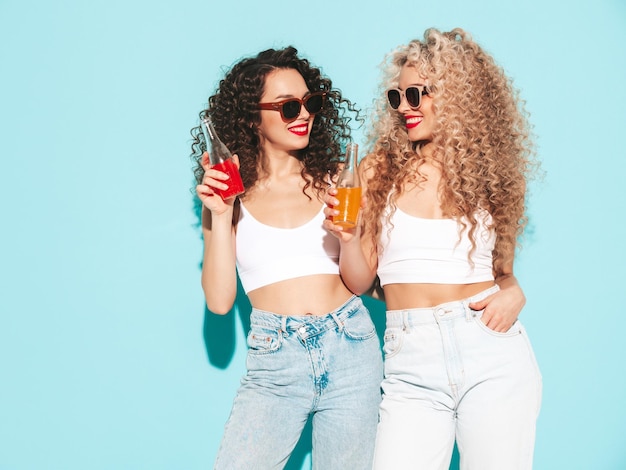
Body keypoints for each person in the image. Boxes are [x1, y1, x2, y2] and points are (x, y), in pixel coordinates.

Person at [324, 28, 542, 469]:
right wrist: (346, 239)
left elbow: (502, 273)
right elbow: (361, 280)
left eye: (418, 94)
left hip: (490, 351)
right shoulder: (377, 170)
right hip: (410, 359)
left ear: (458, 95)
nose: (405, 107)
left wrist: (515, 290)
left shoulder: (490, 179)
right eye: (397, 97)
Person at [190, 46, 383, 470]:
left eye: (310, 103)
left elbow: (361, 282)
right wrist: (220, 217)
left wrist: (348, 239)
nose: (303, 114)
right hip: (276, 360)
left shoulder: (337, 180)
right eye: (288, 106)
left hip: (352, 347)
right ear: (251, 117)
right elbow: (220, 303)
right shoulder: (228, 196)